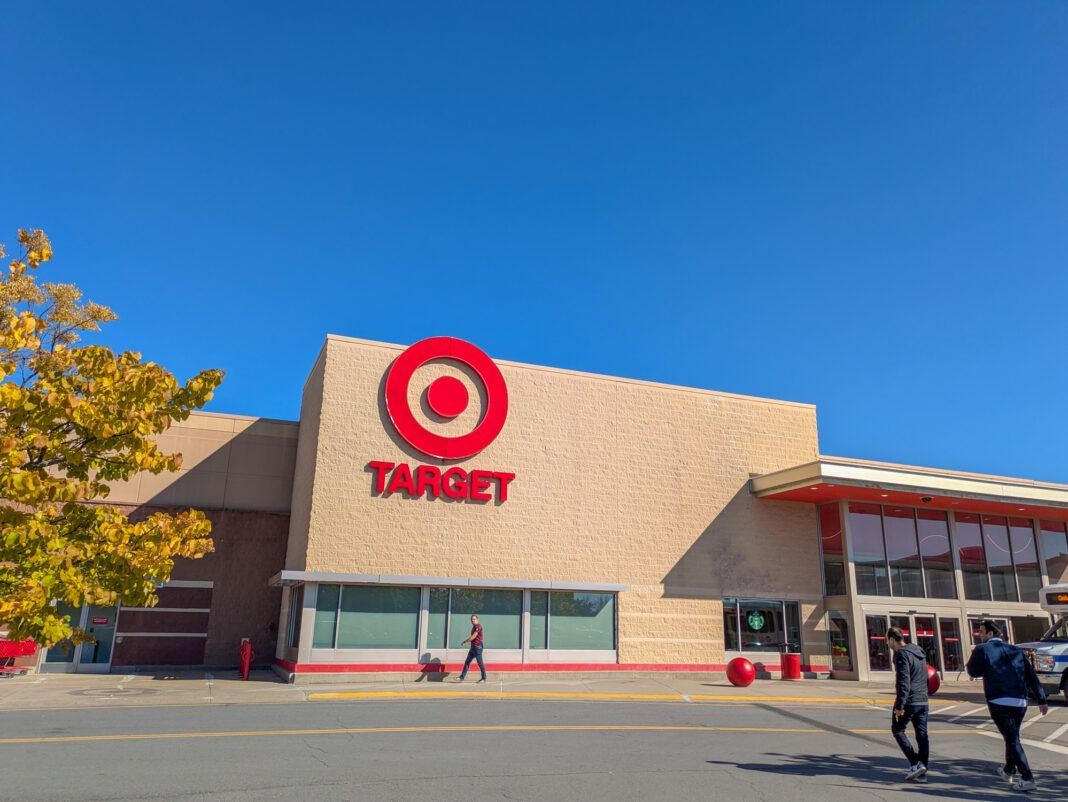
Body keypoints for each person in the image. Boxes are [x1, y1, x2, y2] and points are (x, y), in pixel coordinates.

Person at [966, 620, 1048, 793]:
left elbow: (973, 671)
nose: (979, 635)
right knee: (1012, 736)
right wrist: (1041, 698)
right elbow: (1031, 675)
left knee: (1012, 739)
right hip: (1020, 700)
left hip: (998, 700)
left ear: (990, 634)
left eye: (981, 632)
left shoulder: (982, 650)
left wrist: (986, 669)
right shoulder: (1016, 650)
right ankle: (1008, 770)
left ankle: (1027, 777)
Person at [886, 626, 930, 782]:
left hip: (909, 701)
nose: (888, 644)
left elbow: (903, 682)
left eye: (888, 640)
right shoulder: (918, 651)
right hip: (923, 700)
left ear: (892, 639)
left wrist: (899, 706)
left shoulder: (901, 655)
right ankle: (922, 770)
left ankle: (915, 763)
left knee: (897, 730)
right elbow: (926, 676)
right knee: (922, 735)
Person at [457, 614, 486, 683]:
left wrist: (465, 641)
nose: (473, 620)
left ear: (477, 619)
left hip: (478, 648)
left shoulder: (478, 626)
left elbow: (474, 636)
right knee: (467, 662)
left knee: (480, 663)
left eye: (474, 619)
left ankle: (484, 678)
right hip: (473, 648)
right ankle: (462, 677)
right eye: (472, 619)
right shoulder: (474, 627)